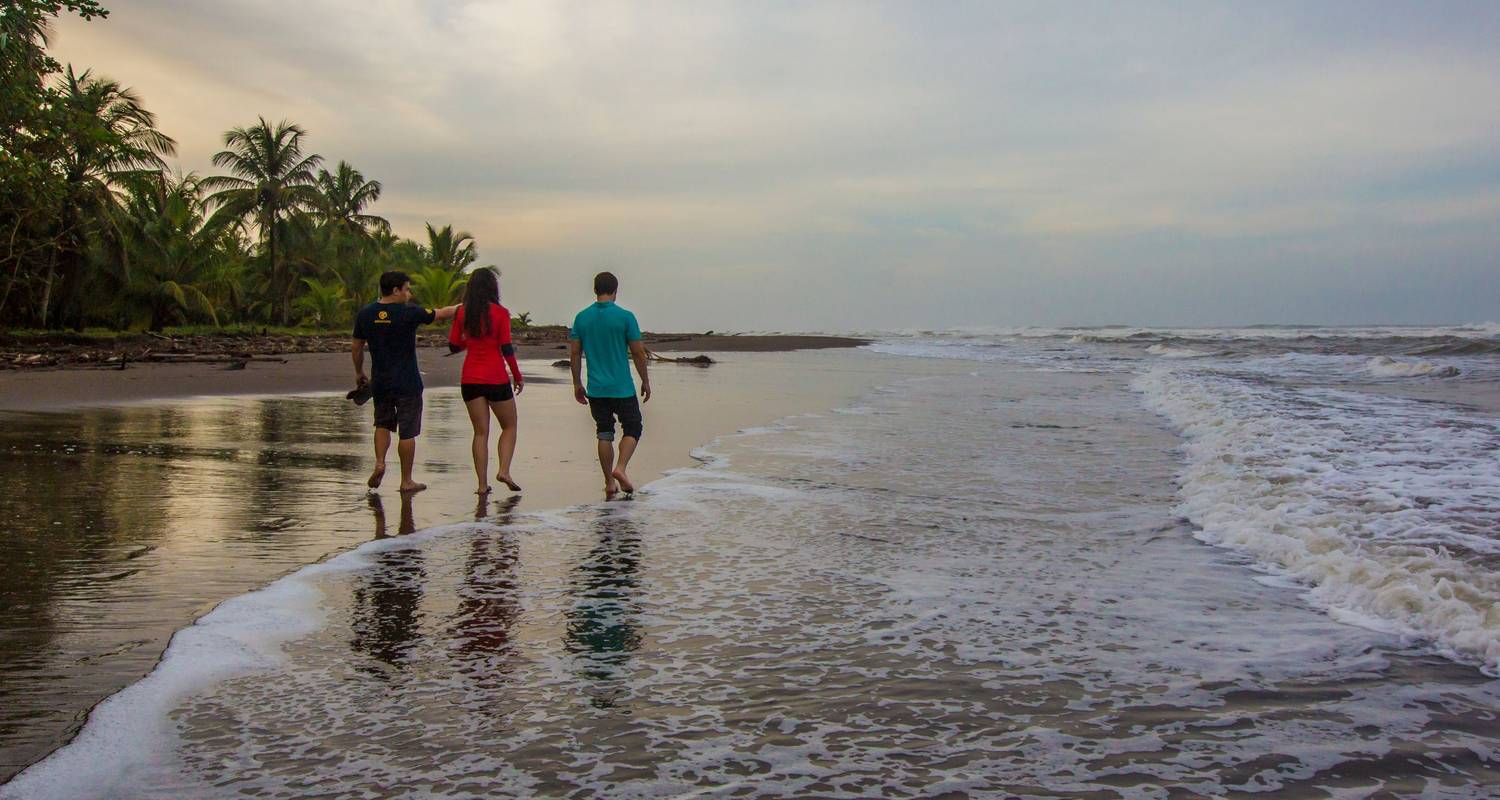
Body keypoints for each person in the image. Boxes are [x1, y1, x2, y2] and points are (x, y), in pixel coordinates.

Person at [352, 270, 458, 493]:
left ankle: (380, 462)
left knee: (382, 424)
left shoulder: (366, 313)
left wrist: (359, 371)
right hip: (407, 382)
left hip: (380, 380)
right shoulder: (409, 313)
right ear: (395, 290)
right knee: (407, 432)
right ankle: (406, 480)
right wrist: (462, 308)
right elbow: (441, 314)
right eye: (407, 289)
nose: (409, 294)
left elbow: (357, 346)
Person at [569, 271, 651, 497]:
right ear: (615, 290)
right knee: (633, 426)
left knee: (604, 432)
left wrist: (576, 383)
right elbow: (637, 352)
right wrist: (645, 380)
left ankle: (608, 482)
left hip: (596, 388)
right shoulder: (626, 317)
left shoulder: (581, 318)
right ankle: (621, 467)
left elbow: (575, 354)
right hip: (622, 387)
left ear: (595, 290)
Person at [448, 267, 524, 495]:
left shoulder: (462, 312)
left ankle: (481, 485)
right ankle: (504, 470)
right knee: (509, 426)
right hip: (495, 377)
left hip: (470, 378)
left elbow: (454, 345)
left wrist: (468, 341)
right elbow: (506, 348)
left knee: (480, 433)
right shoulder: (501, 313)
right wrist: (517, 376)